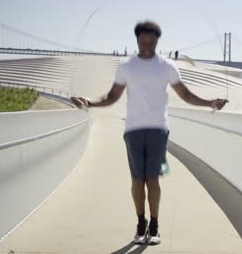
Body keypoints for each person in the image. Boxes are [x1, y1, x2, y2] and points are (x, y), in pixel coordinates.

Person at [70, 20, 228, 245]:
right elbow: (111, 97)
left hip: (158, 130)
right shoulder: (126, 67)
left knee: (152, 178)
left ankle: (154, 226)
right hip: (133, 130)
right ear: (136, 41)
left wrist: (210, 103)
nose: (146, 47)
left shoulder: (166, 66)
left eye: (151, 44)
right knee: (137, 180)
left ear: (157, 42)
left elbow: (185, 94)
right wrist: (88, 102)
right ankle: (140, 224)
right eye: (143, 43)